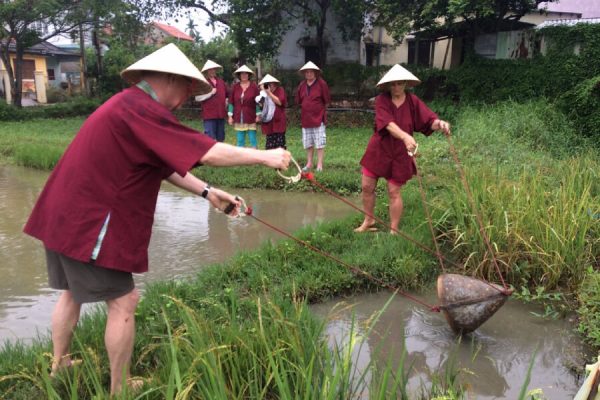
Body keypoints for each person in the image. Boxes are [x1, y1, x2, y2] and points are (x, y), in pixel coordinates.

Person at [22, 43, 291, 395]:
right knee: (124, 301)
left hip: (63, 213)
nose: (184, 100)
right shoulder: (140, 109)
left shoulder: (128, 105)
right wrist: (265, 156)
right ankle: (120, 387)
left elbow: (163, 165)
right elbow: (205, 151)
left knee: (72, 292)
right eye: (185, 89)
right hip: (91, 222)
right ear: (167, 78)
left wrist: (209, 193)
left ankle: (59, 364)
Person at [354, 64, 451, 234]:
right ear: (388, 85)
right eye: (393, 84)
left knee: (394, 191)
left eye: (400, 83)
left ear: (406, 83)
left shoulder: (413, 101)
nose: (396, 87)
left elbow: (429, 121)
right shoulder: (382, 100)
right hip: (379, 148)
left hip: (400, 152)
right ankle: (368, 220)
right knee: (367, 186)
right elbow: (387, 124)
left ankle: (394, 229)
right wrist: (406, 136)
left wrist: (440, 124)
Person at [295, 61, 330, 172]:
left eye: (311, 72)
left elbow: (327, 99)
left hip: (318, 117)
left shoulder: (321, 84)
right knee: (308, 142)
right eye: (307, 72)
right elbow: (298, 100)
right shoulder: (302, 85)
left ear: (315, 73)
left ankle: (319, 164)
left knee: (319, 142)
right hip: (306, 118)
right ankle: (309, 163)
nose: (309, 74)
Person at [228, 65, 260, 148]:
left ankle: (255, 156)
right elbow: (231, 102)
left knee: (252, 137)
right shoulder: (235, 87)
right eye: (242, 74)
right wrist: (230, 116)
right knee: (240, 139)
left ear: (249, 75)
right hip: (239, 115)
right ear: (239, 75)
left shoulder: (254, 87)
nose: (244, 75)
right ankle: (240, 156)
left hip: (250, 115)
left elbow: (257, 102)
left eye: (246, 74)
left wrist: (258, 115)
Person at [195, 59, 228, 142]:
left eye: (213, 69)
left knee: (221, 137)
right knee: (209, 138)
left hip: (220, 114)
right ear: (207, 71)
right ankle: (210, 154)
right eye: (210, 69)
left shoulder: (221, 82)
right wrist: (210, 93)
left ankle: (220, 154)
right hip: (209, 115)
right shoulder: (203, 82)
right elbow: (197, 98)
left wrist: (226, 102)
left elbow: (227, 95)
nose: (212, 71)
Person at [256, 74, 287, 149]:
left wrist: (269, 93)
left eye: (271, 83)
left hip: (278, 122)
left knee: (280, 145)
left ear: (274, 83)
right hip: (268, 123)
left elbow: (280, 102)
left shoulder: (280, 90)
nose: (269, 86)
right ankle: (271, 160)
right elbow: (259, 105)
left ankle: (280, 160)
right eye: (267, 84)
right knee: (270, 145)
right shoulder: (262, 94)